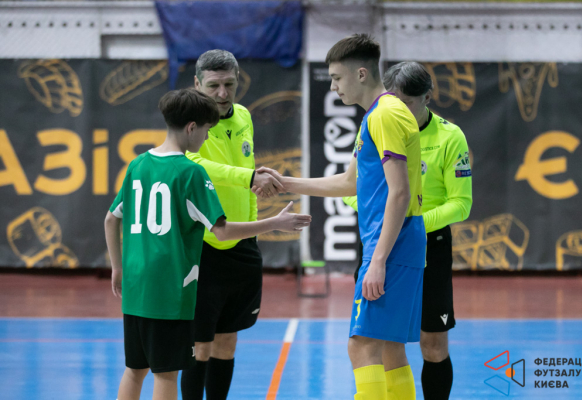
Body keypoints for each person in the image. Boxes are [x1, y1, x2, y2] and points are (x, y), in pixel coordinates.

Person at [104, 88, 311, 400]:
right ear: (191, 128)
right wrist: (274, 223)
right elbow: (222, 232)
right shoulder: (191, 172)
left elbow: (111, 219)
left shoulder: (138, 164)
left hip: (135, 286)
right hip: (169, 290)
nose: (205, 139)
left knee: (134, 369)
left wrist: (117, 269)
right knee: (166, 374)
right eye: (205, 131)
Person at [255, 34, 426, 400]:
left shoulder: (385, 114)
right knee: (390, 348)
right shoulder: (377, 116)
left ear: (361, 74)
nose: (333, 87)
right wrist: (285, 182)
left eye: (336, 78)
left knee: (361, 345)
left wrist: (377, 260)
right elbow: (350, 182)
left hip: (391, 243)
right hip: (401, 239)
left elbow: (399, 192)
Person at [345, 62, 473, 400]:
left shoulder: (450, 136)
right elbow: (352, 187)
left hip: (428, 242)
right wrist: (382, 218)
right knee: (385, 341)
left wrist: (410, 223)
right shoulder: (378, 122)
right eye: (393, 101)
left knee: (433, 343)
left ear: (427, 98)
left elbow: (461, 204)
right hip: (383, 241)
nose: (399, 110)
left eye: (408, 103)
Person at [181, 49, 284, 400]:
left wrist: (251, 227)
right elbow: (195, 165)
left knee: (227, 341)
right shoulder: (189, 123)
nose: (223, 93)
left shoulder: (243, 116)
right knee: (200, 345)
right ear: (197, 84)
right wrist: (248, 177)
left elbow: (248, 168)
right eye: (213, 85)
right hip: (204, 247)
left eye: (229, 84)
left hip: (241, 244)